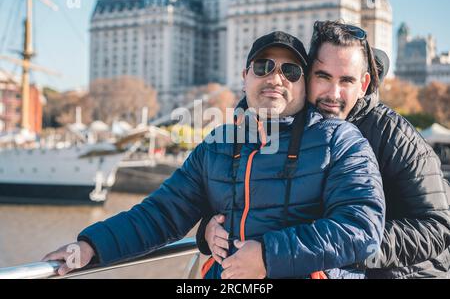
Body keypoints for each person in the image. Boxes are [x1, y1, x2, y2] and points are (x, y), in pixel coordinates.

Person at [43, 31, 385, 279]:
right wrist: (91, 246)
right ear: (244, 76)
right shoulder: (218, 144)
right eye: (263, 66)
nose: (275, 78)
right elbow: (161, 213)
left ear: (303, 85)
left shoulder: (341, 141)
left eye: (290, 71)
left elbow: (362, 226)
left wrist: (268, 256)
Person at [199, 21, 450, 279]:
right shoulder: (283, 123)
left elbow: (437, 227)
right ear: (306, 76)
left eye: (346, 81)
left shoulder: (394, 135)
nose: (334, 93)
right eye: (323, 77)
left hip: (400, 273)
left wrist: (339, 248)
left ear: (363, 84)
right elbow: (250, 187)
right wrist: (210, 228)